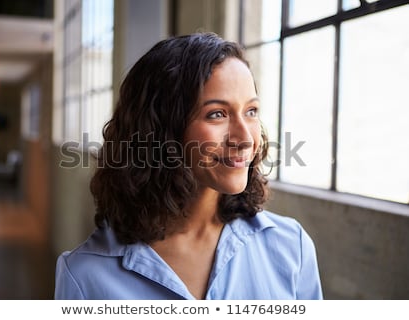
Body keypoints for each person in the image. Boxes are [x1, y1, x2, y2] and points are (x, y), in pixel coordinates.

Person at [54, 32, 323, 300]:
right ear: (161, 129)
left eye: (251, 111)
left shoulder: (292, 249)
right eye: (217, 114)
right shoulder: (85, 276)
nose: (245, 139)